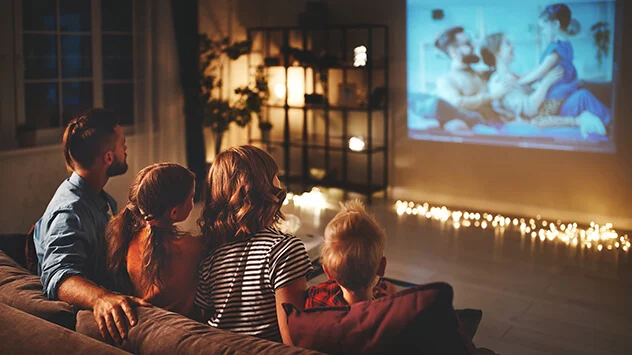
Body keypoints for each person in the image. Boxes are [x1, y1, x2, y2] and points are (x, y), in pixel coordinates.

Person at [33, 108, 150, 344]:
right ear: (108, 157)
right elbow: (59, 275)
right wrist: (101, 298)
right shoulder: (70, 211)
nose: (125, 150)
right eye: (122, 144)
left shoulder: (98, 198)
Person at [194, 145, 313, 345]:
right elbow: (293, 340)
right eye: (275, 175)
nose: (279, 181)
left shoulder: (210, 256)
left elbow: (204, 321)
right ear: (264, 186)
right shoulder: (285, 250)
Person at [106, 163, 206, 318]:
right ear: (173, 212)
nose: (193, 202)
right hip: (180, 326)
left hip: (147, 321)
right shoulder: (192, 247)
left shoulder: (129, 239)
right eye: (192, 197)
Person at [480, 32, 606, 137]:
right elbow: (528, 110)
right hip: (538, 119)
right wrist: (547, 82)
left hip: (545, 112)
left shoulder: (511, 76)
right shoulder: (499, 82)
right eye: (507, 44)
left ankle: (612, 125)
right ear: (496, 52)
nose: (512, 46)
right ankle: (612, 128)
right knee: (582, 97)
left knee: (582, 95)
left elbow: (534, 75)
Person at [517, 3, 611, 127]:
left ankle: (611, 122)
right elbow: (537, 69)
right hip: (563, 95)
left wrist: (518, 83)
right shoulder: (565, 45)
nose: (543, 32)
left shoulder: (556, 50)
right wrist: (520, 77)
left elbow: (539, 72)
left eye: (544, 28)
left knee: (583, 96)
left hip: (556, 99)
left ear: (556, 25)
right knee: (584, 95)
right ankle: (611, 121)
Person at [304, 200, 397, 308]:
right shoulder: (387, 310)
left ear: (328, 272)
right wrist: (394, 299)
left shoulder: (317, 298)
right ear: (382, 266)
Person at [434, 26, 513, 130]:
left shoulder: (481, 74)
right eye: (467, 44)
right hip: (476, 132)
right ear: (453, 52)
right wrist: (492, 96)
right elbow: (457, 103)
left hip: (498, 125)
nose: (473, 46)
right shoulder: (445, 80)